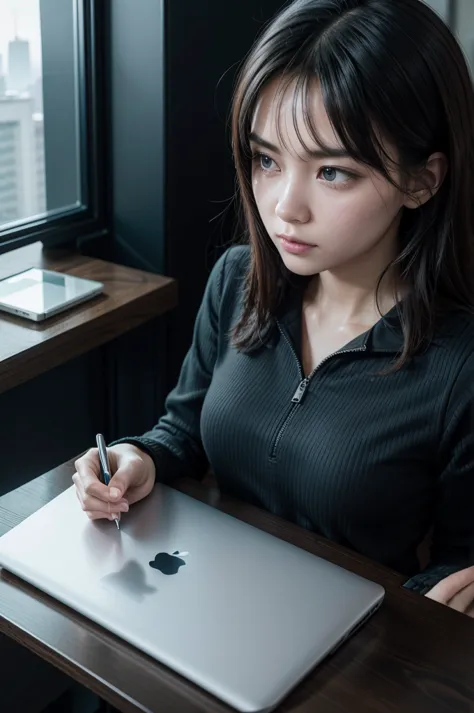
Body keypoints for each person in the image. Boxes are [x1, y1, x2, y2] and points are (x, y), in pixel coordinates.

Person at [74, 0, 474, 615]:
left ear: (422, 180)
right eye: (266, 159)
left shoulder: (460, 364)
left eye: (334, 172)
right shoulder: (238, 279)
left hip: (356, 655)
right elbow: (181, 433)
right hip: (205, 602)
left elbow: (456, 567)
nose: (286, 206)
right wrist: (136, 458)